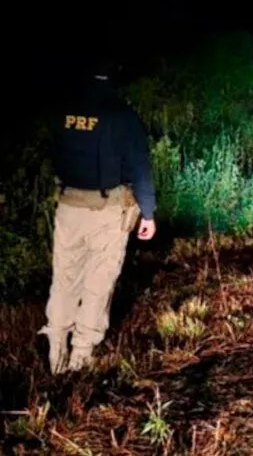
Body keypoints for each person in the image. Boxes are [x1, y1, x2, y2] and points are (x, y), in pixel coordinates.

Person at [40, 57, 157, 374]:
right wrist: (148, 212)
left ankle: (56, 350)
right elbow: (139, 165)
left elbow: (52, 153)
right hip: (105, 211)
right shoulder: (121, 115)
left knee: (64, 279)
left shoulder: (63, 110)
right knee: (98, 283)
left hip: (68, 206)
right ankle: (81, 355)